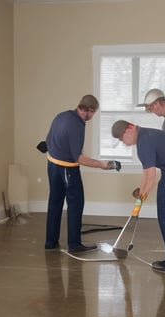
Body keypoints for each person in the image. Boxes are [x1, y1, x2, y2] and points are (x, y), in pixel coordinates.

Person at [111, 120, 165, 275]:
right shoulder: (147, 135)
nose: (123, 143)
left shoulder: (144, 142)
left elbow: (151, 177)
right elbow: (146, 173)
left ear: (130, 128)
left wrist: (142, 198)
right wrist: (141, 195)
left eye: (121, 138)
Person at [44, 94, 120, 252]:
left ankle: (50, 242)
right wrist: (102, 165)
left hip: (52, 165)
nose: (92, 116)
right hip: (67, 169)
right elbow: (78, 158)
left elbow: (48, 139)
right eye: (93, 113)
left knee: (55, 202)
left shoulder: (62, 116)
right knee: (76, 204)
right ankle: (74, 244)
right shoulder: (77, 125)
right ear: (89, 111)